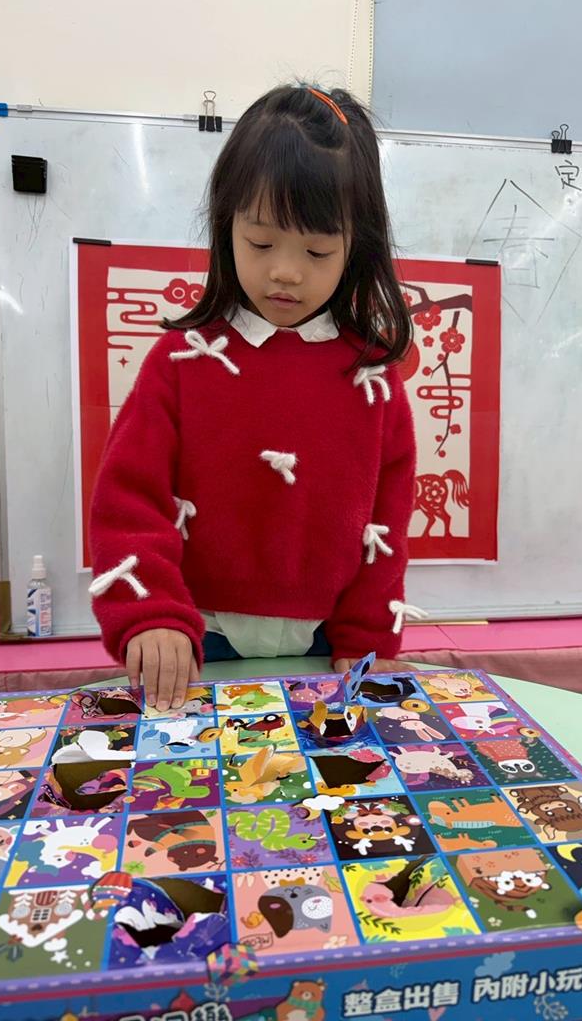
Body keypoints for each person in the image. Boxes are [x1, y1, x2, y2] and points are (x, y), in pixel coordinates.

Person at [89, 83, 421, 711]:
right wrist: (151, 613)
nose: (286, 271)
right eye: (261, 243)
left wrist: (370, 632)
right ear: (227, 227)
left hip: (330, 645)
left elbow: (388, 523)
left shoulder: (373, 377)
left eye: (317, 250)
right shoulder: (181, 362)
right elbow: (128, 498)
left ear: (357, 245)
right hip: (196, 640)